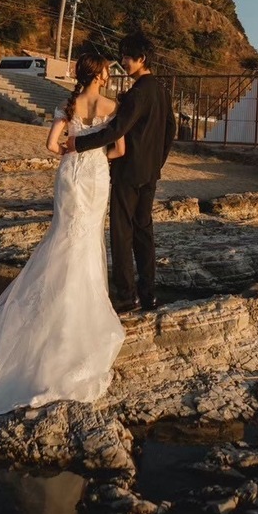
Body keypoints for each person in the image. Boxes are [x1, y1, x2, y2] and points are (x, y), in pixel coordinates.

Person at [0, 53, 126, 415]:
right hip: (97, 176)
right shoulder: (113, 106)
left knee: (64, 238)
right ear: (99, 74)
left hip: (70, 175)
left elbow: (52, 145)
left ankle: (46, 308)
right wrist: (96, 158)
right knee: (88, 240)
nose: (110, 73)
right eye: (107, 69)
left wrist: (72, 155)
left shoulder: (68, 103)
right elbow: (119, 149)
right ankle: (79, 314)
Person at [69, 32, 176, 314]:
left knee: (121, 234)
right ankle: (149, 294)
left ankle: (127, 297)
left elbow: (116, 130)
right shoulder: (162, 90)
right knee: (144, 232)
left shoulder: (138, 93)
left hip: (127, 172)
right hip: (150, 174)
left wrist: (78, 143)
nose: (123, 62)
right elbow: (171, 130)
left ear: (141, 59)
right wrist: (157, 163)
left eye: (128, 57)